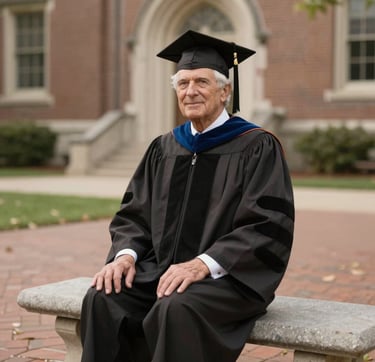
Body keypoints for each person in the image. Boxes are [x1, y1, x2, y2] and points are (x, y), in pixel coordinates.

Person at [80, 30, 295, 362]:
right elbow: (134, 214)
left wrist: (202, 264)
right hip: (162, 269)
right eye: (182, 84)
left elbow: (267, 224)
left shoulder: (256, 146)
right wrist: (125, 256)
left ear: (225, 91)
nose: (190, 91)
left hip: (228, 277)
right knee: (103, 295)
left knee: (175, 306)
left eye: (201, 82)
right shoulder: (164, 148)